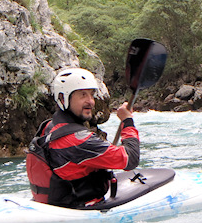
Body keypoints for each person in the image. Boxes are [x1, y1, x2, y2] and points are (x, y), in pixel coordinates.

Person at [26, 68, 140, 207]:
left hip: (54, 204)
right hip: (78, 209)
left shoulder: (49, 127)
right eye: (82, 95)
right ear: (63, 98)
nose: (91, 101)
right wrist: (127, 121)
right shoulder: (78, 140)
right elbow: (131, 159)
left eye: (91, 95)